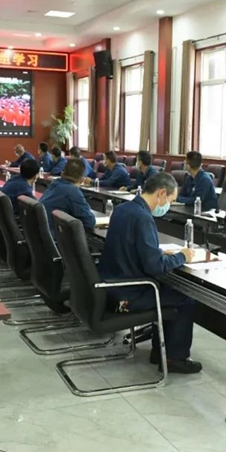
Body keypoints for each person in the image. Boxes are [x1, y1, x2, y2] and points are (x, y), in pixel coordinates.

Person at [98, 172, 202, 374]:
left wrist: (158, 252)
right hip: (127, 295)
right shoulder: (143, 218)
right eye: (170, 200)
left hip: (111, 287)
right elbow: (154, 266)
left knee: (165, 291)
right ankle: (175, 358)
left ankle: (159, 351)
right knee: (184, 299)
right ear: (161, 193)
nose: (169, 206)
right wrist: (182, 256)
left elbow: (132, 247)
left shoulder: (123, 209)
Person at [41, 158, 95, 237]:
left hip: (43, 235)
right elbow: (89, 222)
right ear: (82, 179)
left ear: (62, 173)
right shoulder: (72, 191)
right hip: (56, 237)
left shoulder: (54, 184)